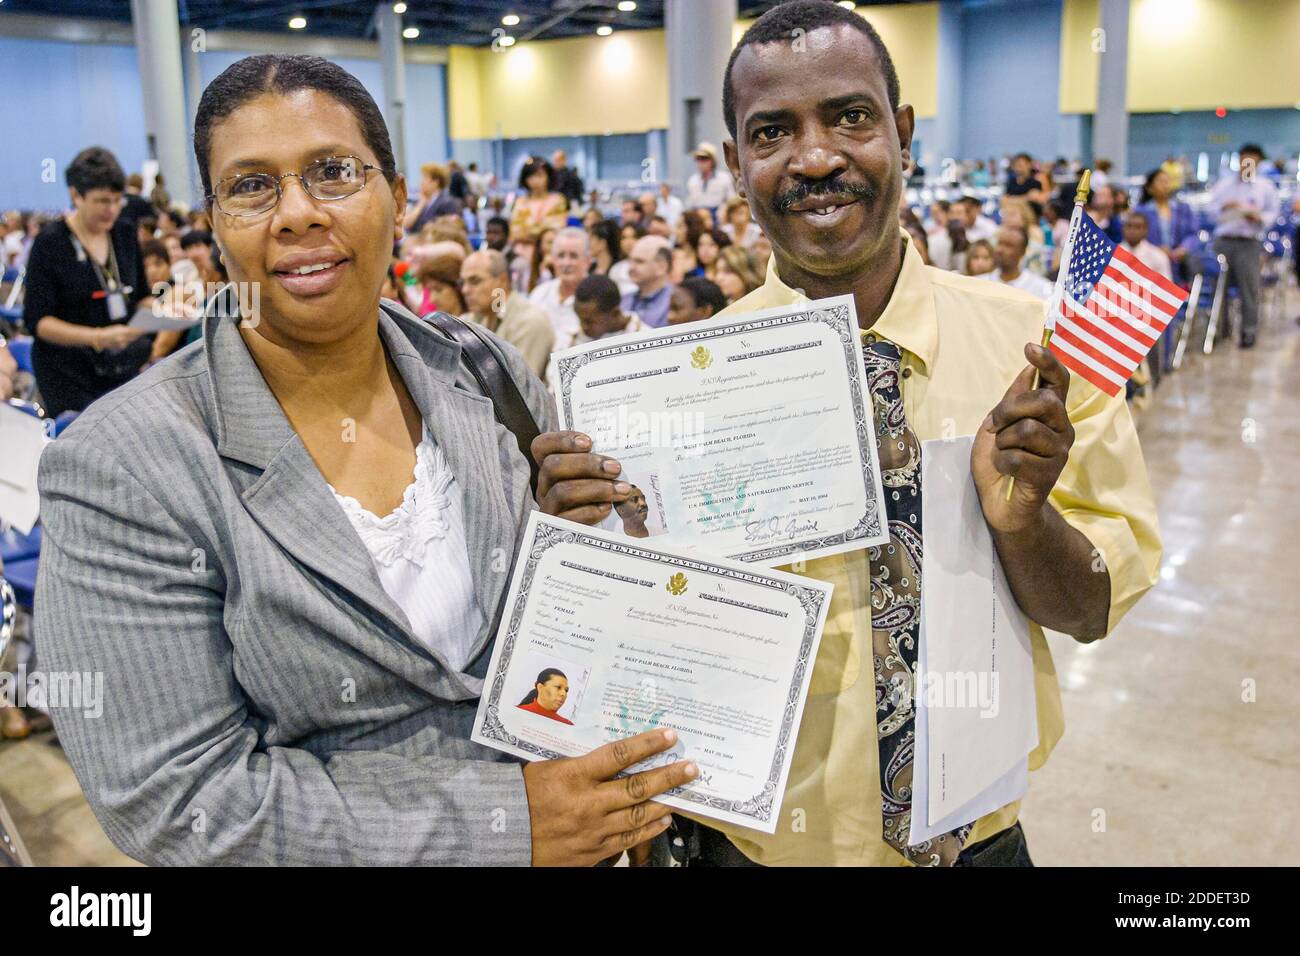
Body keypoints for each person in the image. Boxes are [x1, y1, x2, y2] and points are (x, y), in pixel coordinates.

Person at [39, 53, 694, 868]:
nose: (297, 214)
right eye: (252, 186)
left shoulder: (482, 369)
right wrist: (504, 825)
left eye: (334, 173)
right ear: (212, 224)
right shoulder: (125, 465)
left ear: (399, 198)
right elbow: (180, 801)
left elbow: (560, 642)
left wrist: (576, 548)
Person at [541, 0, 1155, 867]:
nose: (817, 157)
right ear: (734, 164)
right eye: (772, 132)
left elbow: (1090, 608)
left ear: (903, 133)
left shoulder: (1037, 359)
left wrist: (1023, 521)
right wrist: (581, 554)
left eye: (851, 117)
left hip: (977, 845)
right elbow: (623, 669)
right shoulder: (666, 390)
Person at [23, 146, 154, 417]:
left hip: (121, 365)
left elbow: (142, 295)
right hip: (68, 371)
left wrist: (156, 315)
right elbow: (39, 322)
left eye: (118, 200)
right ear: (76, 195)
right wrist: (96, 337)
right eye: (102, 201)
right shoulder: (50, 243)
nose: (112, 209)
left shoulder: (124, 233)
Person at [1209, 143, 1279, 348]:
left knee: (1248, 289)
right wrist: (1224, 207)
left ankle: (1248, 331)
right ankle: (1220, 329)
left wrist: (1259, 217)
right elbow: (1210, 210)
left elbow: (1272, 213)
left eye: (1253, 160)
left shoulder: (1264, 187)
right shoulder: (1224, 184)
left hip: (1248, 242)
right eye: (1244, 159)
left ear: (1258, 162)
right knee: (1218, 287)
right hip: (1224, 240)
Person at [460, 248, 554, 378]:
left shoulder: (530, 321)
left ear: (502, 280)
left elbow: (520, 389)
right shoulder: (469, 320)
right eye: (462, 282)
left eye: (475, 281)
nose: (465, 290)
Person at [1135, 167, 1198, 283]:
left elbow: (1192, 234)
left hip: (1178, 263)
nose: (1165, 185)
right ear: (1150, 188)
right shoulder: (1140, 212)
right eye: (1160, 181)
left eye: (1167, 181)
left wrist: (1184, 248)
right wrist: (1156, 250)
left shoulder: (1183, 209)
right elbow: (1136, 237)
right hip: (1150, 263)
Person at [528, 226, 590, 341]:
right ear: (553, 259)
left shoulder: (596, 297)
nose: (566, 263)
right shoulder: (540, 293)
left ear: (587, 261)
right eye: (561, 255)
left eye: (574, 256)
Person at [564, 274, 646, 349]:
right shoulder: (570, 340)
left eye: (590, 322)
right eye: (580, 319)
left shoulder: (646, 339)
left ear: (615, 313)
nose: (583, 326)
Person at [980, 226, 1053, 298]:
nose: (1000, 250)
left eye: (1008, 246)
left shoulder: (1040, 288)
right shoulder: (980, 284)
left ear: (1022, 252)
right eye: (999, 243)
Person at [510, 157, 568, 244]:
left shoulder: (558, 200)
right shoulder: (520, 202)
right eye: (530, 176)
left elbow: (559, 227)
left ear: (548, 176)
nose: (535, 180)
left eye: (539, 175)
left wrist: (530, 232)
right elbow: (515, 231)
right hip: (525, 249)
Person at [620, 235, 673, 328]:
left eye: (639, 261)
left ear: (662, 267)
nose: (631, 267)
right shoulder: (623, 300)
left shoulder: (675, 303)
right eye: (630, 261)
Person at [405, 163, 463, 234]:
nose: (421, 182)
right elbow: (407, 224)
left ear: (436, 182)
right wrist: (421, 202)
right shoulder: (423, 203)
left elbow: (452, 229)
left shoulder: (448, 203)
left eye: (425, 178)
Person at [685, 142, 736, 211]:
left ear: (712, 161)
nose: (701, 162)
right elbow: (689, 204)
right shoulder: (692, 180)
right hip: (697, 216)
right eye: (698, 159)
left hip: (719, 216)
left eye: (704, 159)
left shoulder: (724, 178)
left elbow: (731, 201)